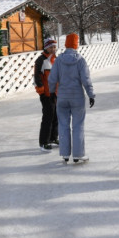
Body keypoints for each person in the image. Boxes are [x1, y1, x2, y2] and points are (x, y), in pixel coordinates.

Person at [48, 33, 95, 163]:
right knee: (78, 125)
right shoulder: (80, 60)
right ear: (76, 45)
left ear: (66, 44)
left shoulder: (59, 60)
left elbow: (52, 78)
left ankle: (65, 154)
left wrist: (51, 93)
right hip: (77, 98)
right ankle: (78, 154)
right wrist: (91, 95)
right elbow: (86, 79)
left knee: (63, 125)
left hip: (62, 97)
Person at [34, 38, 58, 152]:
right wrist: (41, 91)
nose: (53, 49)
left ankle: (53, 138)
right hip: (46, 94)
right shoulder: (41, 60)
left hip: (56, 93)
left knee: (56, 116)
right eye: (51, 47)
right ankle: (44, 142)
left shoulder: (55, 59)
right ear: (46, 48)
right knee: (48, 117)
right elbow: (37, 77)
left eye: (54, 47)